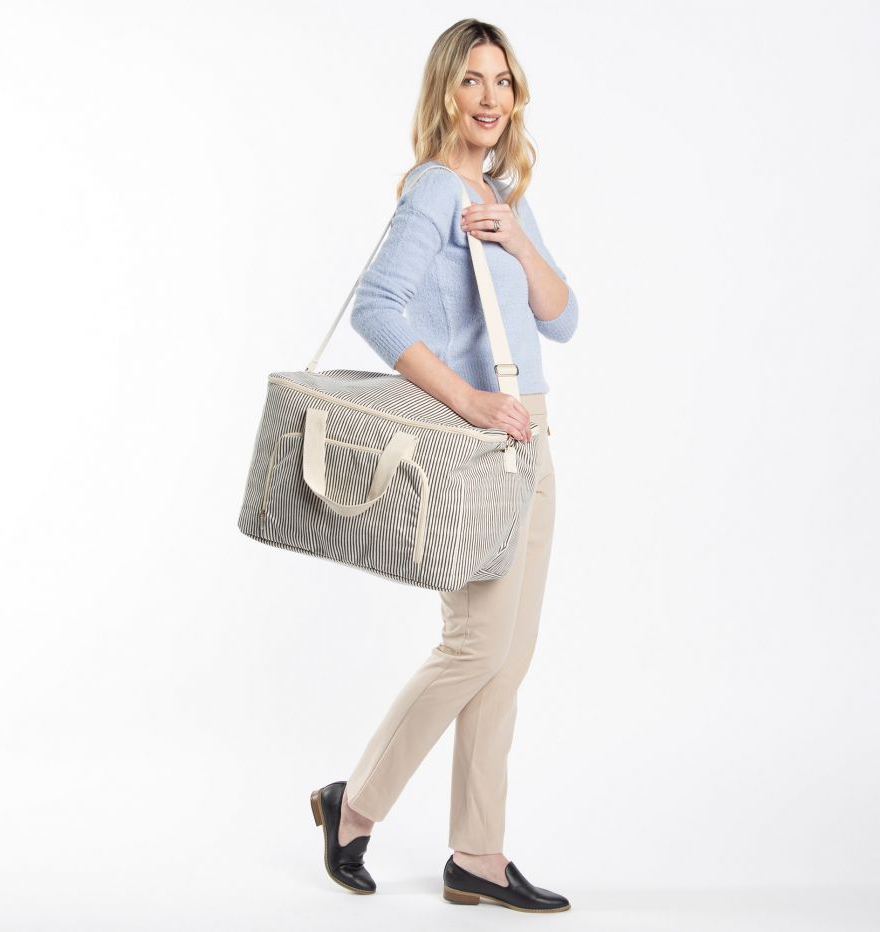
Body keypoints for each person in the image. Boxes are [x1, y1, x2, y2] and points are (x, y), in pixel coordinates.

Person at [309, 18, 578, 913]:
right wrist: (468, 401)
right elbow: (377, 309)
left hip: (532, 436)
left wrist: (516, 239)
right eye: (471, 80)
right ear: (446, 93)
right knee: (475, 645)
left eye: (502, 80)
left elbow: (562, 318)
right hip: (477, 441)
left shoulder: (503, 196)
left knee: (508, 659)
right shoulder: (432, 190)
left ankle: (478, 855)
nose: (490, 97)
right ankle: (355, 804)